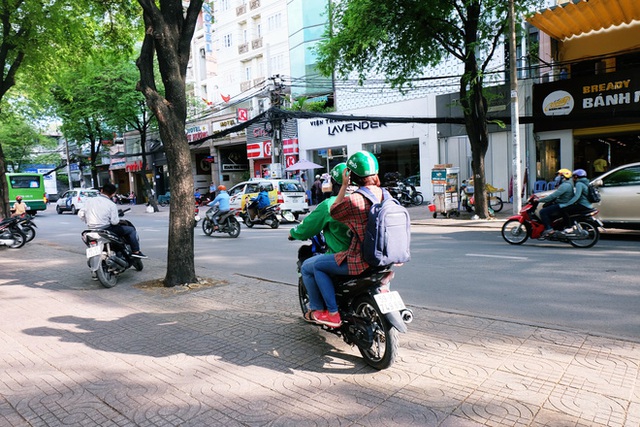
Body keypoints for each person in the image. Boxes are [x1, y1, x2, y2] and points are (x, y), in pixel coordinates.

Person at [309, 151, 382, 328]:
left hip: (361, 259)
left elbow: (334, 211)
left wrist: (344, 185)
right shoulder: (385, 194)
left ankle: (333, 314)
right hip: (385, 258)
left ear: (352, 176)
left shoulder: (355, 200)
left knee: (317, 265)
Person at [288, 164, 352, 324]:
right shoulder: (365, 199)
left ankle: (319, 309)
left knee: (308, 267)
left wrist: (293, 234)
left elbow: (307, 227)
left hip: (342, 257)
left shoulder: (329, 205)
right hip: (371, 256)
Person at [78, 183, 147, 258]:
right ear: (113, 194)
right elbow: (114, 222)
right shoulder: (111, 204)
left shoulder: (89, 201)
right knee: (130, 230)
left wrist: (87, 220)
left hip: (91, 229)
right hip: (106, 229)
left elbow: (80, 214)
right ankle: (136, 251)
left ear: (101, 190)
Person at [536, 168, 574, 237]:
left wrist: (539, 200)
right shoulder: (567, 184)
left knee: (543, 212)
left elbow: (553, 196)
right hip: (562, 203)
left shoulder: (564, 186)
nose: (557, 177)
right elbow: (555, 194)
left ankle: (549, 229)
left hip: (562, 205)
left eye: (559, 175)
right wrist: (543, 196)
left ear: (563, 177)